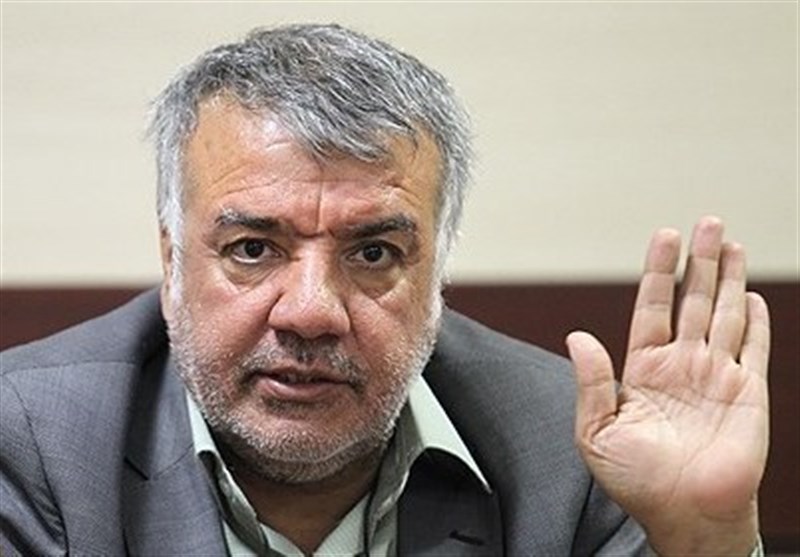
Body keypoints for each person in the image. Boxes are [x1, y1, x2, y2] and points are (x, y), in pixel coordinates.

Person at [0, 24, 770, 556]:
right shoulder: (32, 444)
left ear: (439, 274)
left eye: (372, 252)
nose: (310, 311)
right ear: (172, 266)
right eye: (253, 249)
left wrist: (705, 540)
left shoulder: (573, 450)